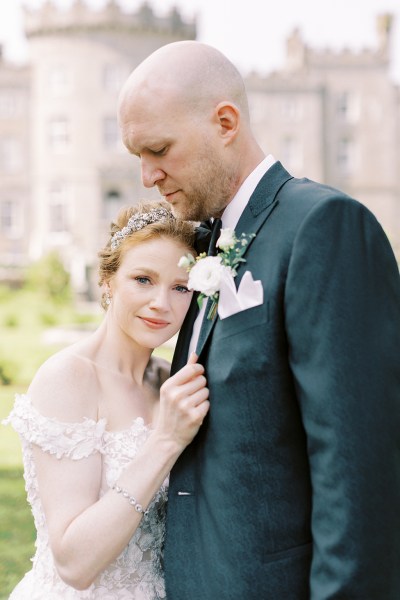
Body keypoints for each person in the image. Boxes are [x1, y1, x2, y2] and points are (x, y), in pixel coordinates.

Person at [117, 41, 400, 599]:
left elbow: (359, 471)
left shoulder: (324, 227)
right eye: (138, 158)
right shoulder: (205, 243)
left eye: (159, 149)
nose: (147, 175)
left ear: (225, 122)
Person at [2, 199, 210, 599]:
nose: (161, 304)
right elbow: (74, 564)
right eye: (143, 279)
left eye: (180, 287)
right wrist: (165, 441)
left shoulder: (170, 380)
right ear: (107, 281)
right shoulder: (69, 379)